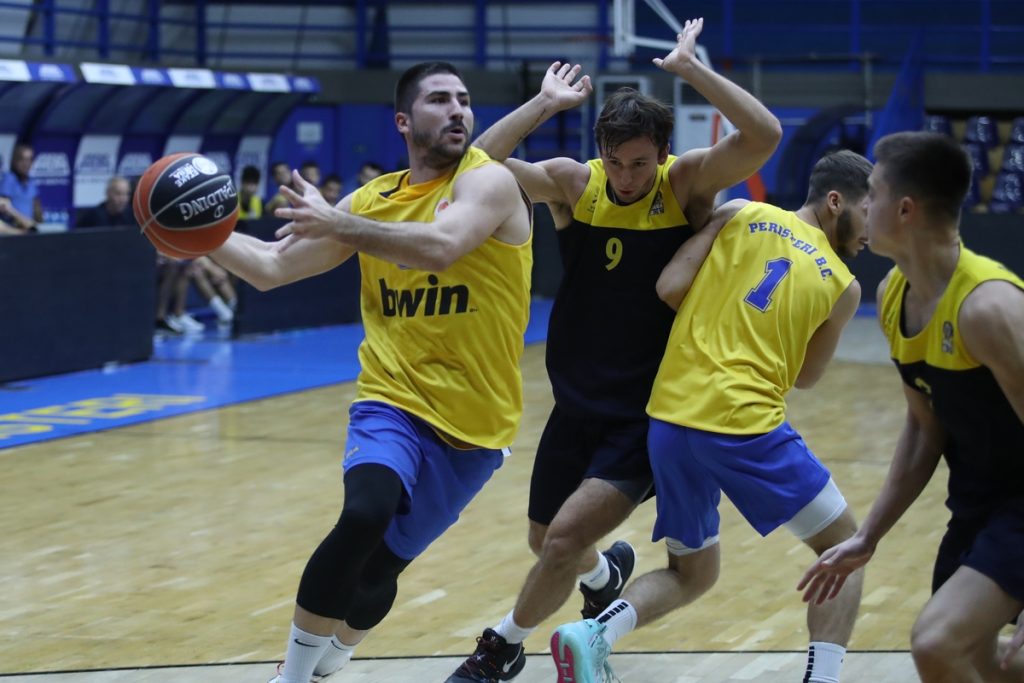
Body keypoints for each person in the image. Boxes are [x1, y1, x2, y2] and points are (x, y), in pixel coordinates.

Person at [446, 17, 782, 683]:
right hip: (573, 405)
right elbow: (478, 166)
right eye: (618, 161)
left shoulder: (683, 186)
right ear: (601, 149)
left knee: (564, 538)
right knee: (548, 541)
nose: (628, 178)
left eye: (640, 163)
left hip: (642, 412)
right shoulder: (577, 183)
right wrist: (544, 103)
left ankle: (502, 646)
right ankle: (608, 577)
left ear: (661, 154)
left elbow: (763, 137)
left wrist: (692, 70)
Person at [209, 61, 533, 683]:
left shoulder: (488, 184)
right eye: (440, 100)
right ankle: (294, 676)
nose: (458, 110)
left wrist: (341, 223)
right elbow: (272, 268)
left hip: (476, 421)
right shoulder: (371, 199)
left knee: (379, 572)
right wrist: (198, 236)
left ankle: (336, 658)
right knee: (365, 513)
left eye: (464, 100)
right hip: (392, 397)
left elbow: (441, 247)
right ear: (405, 122)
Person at [550, 148, 873, 683]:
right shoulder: (843, 284)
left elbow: (669, 288)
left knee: (695, 571)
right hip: (742, 421)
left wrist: (720, 312)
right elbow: (806, 377)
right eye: (870, 209)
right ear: (836, 201)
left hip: (672, 418)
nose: (873, 230)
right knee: (845, 548)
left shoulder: (738, 213)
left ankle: (594, 634)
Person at [798, 131, 1024, 683]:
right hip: (976, 506)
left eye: (871, 192)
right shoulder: (894, 295)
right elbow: (925, 431)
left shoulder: (989, 308)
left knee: (937, 642)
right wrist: (867, 536)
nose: (862, 205)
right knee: (971, 659)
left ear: (904, 209)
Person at [0, 143, 42, 231]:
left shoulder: (31, 182)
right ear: (15, 161)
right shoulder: (9, 179)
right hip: (14, 232)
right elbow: (4, 208)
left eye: (29, 159)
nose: (26, 164)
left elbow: (38, 212)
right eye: (22, 159)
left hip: (30, 231)